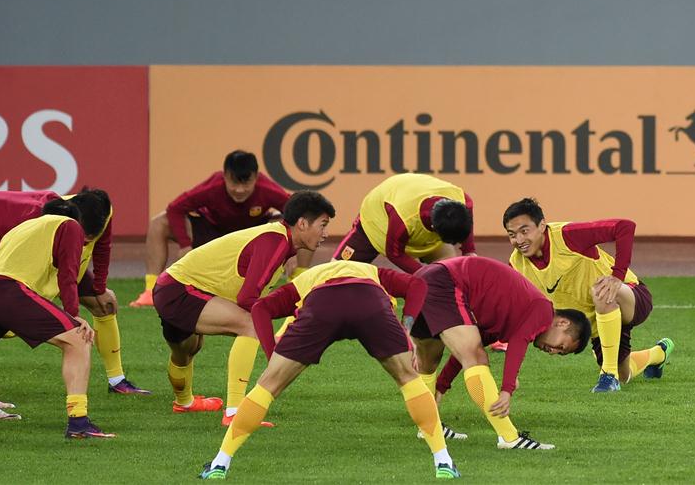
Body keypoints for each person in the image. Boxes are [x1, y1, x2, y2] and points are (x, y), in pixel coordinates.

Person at [199, 260, 461, 480]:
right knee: (408, 377)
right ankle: (444, 461)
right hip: (369, 302)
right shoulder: (372, 271)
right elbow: (417, 284)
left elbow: (260, 308)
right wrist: (407, 327)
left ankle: (220, 463)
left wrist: (272, 356)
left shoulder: (307, 278)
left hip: (321, 306)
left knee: (268, 384)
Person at [154, 191, 334, 426]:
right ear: (302, 224)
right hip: (179, 290)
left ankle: (184, 403)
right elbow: (248, 299)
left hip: (176, 287)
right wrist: (274, 351)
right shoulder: (275, 241)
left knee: (188, 348)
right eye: (323, 225)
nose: (325, 234)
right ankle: (234, 412)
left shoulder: (278, 239)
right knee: (249, 324)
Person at [410, 256, 591, 449]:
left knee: (429, 361)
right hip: (445, 281)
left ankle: (428, 427)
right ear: (562, 323)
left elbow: (461, 354)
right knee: (476, 357)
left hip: (425, 278)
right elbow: (518, 342)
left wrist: (441, 386)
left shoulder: (510, 316)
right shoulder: (543, 309)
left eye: (559, 353)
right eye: (561, 347)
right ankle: (509, 437)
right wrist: (507, 390)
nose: (553, 352)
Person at [0, 189, 149, 395]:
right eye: (83, 240)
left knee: (103, 303)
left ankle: (117, 381)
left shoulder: (101, 210)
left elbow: (102, 248)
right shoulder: (36, 219)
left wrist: (99, 287)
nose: (85, 244)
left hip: (57, 259)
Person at [502, 198, 673, 393]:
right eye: (512, 234)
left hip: (628, 295)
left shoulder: (566, 236)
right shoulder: (516, 265)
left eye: (524, 231)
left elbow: (624, 227)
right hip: (597, 323)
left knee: (600, 290)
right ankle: (658, 354)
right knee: (624, 374)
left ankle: (608, 378)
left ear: (542, 225)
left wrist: (617, 277)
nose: (519, 240)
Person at [0, 198, 114, 437]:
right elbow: (68, 274)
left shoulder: (21, 229)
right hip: (9, 291)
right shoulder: (69, 225)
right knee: (79, 339)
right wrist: (74, 315)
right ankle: (79, 423)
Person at [131, 150, 307, 307]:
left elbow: (297, 212)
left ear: (256, 177)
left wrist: (289, 247)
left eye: (246, 183)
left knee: (306, 225)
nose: (239, 190)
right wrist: (185, 245)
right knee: (159, 222)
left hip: (252, 239)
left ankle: (298, 284)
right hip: (213, 236)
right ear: (224, 176)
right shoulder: (213, 186)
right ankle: (150, 291)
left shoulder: (266, 188)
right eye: (234, 182)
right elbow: (175, 208)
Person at [332, 173, 476, 274]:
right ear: (434, 228)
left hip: (416, 208)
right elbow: (394, 253)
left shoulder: (463, 201)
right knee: (335, 274)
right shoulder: (403, 218)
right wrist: (423, 274)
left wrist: (469, 251)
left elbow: (466, 231)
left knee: (451, 274)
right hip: (377, 224)